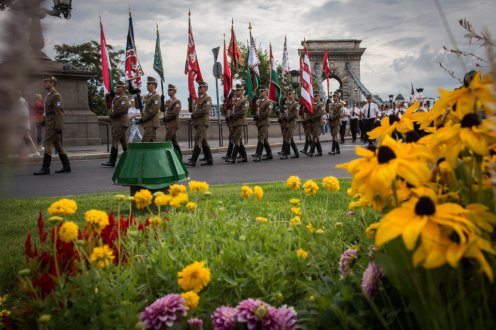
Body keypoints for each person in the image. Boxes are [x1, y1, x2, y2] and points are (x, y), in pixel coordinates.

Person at [34, 75, 71, 175]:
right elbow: (47, 111)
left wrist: (59, 126)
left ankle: (45, 168)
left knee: (46, 143)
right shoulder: (49, 95)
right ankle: (66, 166)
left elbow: (59, 112)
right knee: (57, 145)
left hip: (53, 124)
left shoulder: (56, 96)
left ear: (52, 83)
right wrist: (43, 121)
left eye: (46, 81)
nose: (44, 83)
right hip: (49, 123)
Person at [101, 80, 130, 167]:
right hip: (117, 123)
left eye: (118, 87)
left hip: (122, 122)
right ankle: (130, 158)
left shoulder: (124, 98)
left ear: (123, 88)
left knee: (115, 138)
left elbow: (121, 110)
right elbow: (113, 108)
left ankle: (112, 160)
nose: (116, 88)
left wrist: (111, 115)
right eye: (116, 87)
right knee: (123, 141)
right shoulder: (116, 98)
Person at [185, 81, 213, 167]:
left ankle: (193, 160)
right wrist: (190, 99)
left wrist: (194, 115)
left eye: (201, 87)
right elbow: (191, 110)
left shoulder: (207, 98)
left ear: (206, 88)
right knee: (203, 141)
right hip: (198, 123)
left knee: (198, 139)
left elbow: (205, 110)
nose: (199, 89)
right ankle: (209, 159)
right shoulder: (198, 99)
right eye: (198, 88)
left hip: (203, 122)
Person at [225, 84, 249, 164]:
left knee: (236, 139)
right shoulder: (235, 100)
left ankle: (233, 157)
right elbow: (230, 108)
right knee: (239, 140)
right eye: (236, 90)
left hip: (240, 122)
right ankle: (244, 157)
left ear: (242, 91)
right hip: (235, 122)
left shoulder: (244, 100)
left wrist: (233, 115)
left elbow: (243, 112)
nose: (237, 91)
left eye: (238, 90)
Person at [14, 91, 40, 158]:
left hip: (22, 124)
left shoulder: (20, 101)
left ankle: (35, 152)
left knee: (27, 138)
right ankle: (34, 152)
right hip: (21, 124)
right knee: (25, 138)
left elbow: (24, 113)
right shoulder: (19, 100)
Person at [253, 85, 273, 162]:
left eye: (262, 91)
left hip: (264, 122)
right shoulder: (259, 101)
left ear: (266, 92)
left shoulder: (269, 102)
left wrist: (259, 116)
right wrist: (255, 116)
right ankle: (269, 154)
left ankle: (259, 155)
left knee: (261, 137)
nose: (261, 92)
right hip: (260, 122)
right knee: (264, 139)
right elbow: (256, 110)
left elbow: (267, 113)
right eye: (260, 91)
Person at [162, 84, 182, 158]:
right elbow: (162, 109)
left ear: (174, 91)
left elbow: (175, 113)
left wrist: (166, 118)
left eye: (170, 90)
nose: (168, 91)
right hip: (168, 124)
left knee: (167, 140)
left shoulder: (177, 102)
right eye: (168, 90)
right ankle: (179, 157)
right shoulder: (167, 101)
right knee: (173, 142)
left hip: (173, 124)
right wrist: (161, 100)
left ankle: (167, 157)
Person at [139, 76, 161, 142]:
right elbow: (143, 108)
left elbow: (154, 111)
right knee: (152, 142)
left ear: (154, 85)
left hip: (152, 122)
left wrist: (143, 118)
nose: (147, 86)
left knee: (145, 141)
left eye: (149, 84)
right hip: (147, 122)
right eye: (147, 84)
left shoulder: (156, 96)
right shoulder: (146, 96)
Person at [280, 89, 299, 160]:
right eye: (288, 94)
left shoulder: (296, 104)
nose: (289, 95)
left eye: (290, 94)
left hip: (291, 123)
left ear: (293, 94)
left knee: (288, 138)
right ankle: (296, 153)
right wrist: (282, 117)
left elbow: (295, 115)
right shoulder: (288, 104)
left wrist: (287, 118)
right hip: (287, 123)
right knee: (291, 139)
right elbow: (285, 112)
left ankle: (285, 154)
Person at [307, 91, 324, 157]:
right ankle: (320, 151)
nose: (315, 97)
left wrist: (312, 118)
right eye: (314, 96)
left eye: (316, 96)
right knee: (316, 137)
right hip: (313, 123)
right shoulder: (313, 105)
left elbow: (320, 114)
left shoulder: (321, 105)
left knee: (315, 136)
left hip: (318, 123)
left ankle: (311, 151)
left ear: (319, 97)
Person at [222, 89, 235, 160]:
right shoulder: (229, 102)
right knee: (234, 138)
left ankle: (230, 154)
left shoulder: (235, 102)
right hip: (231, 123)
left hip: (235, 123)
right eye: (233, 95)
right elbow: (227, 110)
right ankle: (240, 155)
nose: (234, 97)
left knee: (232, 138)